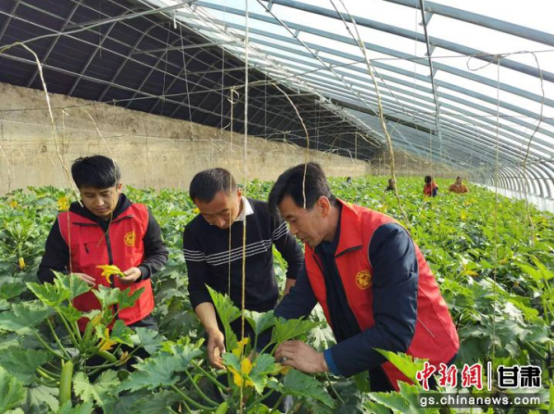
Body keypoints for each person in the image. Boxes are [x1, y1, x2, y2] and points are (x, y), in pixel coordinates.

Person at [265, 163, 459, 392]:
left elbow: (394, 332)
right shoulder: (317, 247)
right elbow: (296, 302)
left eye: (293, 219)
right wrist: (260, 348)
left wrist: (321, 360)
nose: (292, 231)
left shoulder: (385, 238)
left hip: (426, 363)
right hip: (376, 357)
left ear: (323, 206)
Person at [183, 168, 303, 369]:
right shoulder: (194, 233)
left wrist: (283, 317)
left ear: (238, 194)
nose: (219, 222)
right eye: (208, 216)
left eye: (224, 212)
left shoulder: (267, 214)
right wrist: (213, 330)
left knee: (270, 381)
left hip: (268, 318)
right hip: (224, 326)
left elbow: (296, 261)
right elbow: (198, 288)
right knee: (227, 381)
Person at [38, 155, 169, 333]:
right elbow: (45, 271)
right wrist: (67, 279)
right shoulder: (65, 224)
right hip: (90, 322)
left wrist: (142, 271)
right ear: (80, 192)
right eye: (89, 195)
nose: (99, 203)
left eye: (105, 194)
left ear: (119, 188)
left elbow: (159, 253)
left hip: (138, 317)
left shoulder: (140, 215)